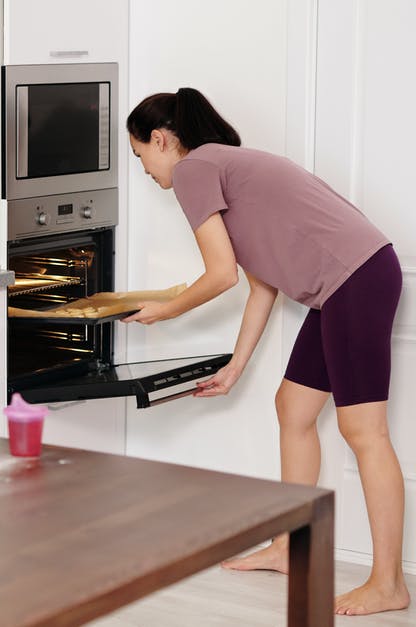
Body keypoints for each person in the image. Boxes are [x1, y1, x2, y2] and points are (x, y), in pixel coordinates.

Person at [124, 87, 407, 616]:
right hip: (344, 284)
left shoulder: (194, 170)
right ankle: (289, 546)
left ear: (161, 139)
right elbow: (260, 286)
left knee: (364, 431)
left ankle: (388, 583)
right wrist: (235, 368)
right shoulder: (225, 170)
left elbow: (219, 275)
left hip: (356, 278)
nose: (147, 172)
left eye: (142, 156)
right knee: (293, 409)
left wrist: (165, 310)